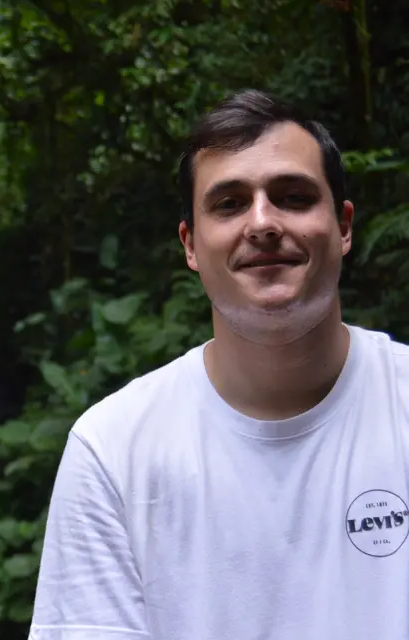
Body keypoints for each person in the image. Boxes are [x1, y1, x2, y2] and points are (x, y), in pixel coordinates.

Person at [28, 89, 409, 640]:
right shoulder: (113, 451)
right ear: (190, 244)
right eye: (229, 204)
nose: (263, 223)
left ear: (344, 226)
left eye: (293, 197)